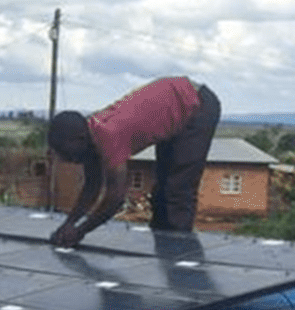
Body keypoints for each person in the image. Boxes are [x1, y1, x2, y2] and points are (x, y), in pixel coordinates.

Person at [48, 76, 222, 246]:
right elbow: (92, 185)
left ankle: (179, 254)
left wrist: (80, 231)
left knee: (176, 191)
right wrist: (68, 224)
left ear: (79, 139)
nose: (69, 159)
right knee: (161, 191)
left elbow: (115, 199)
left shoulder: (109, 135)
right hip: (174, 102)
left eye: (66, 153)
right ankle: (165, 247)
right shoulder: (90, 136)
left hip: (196, 105)